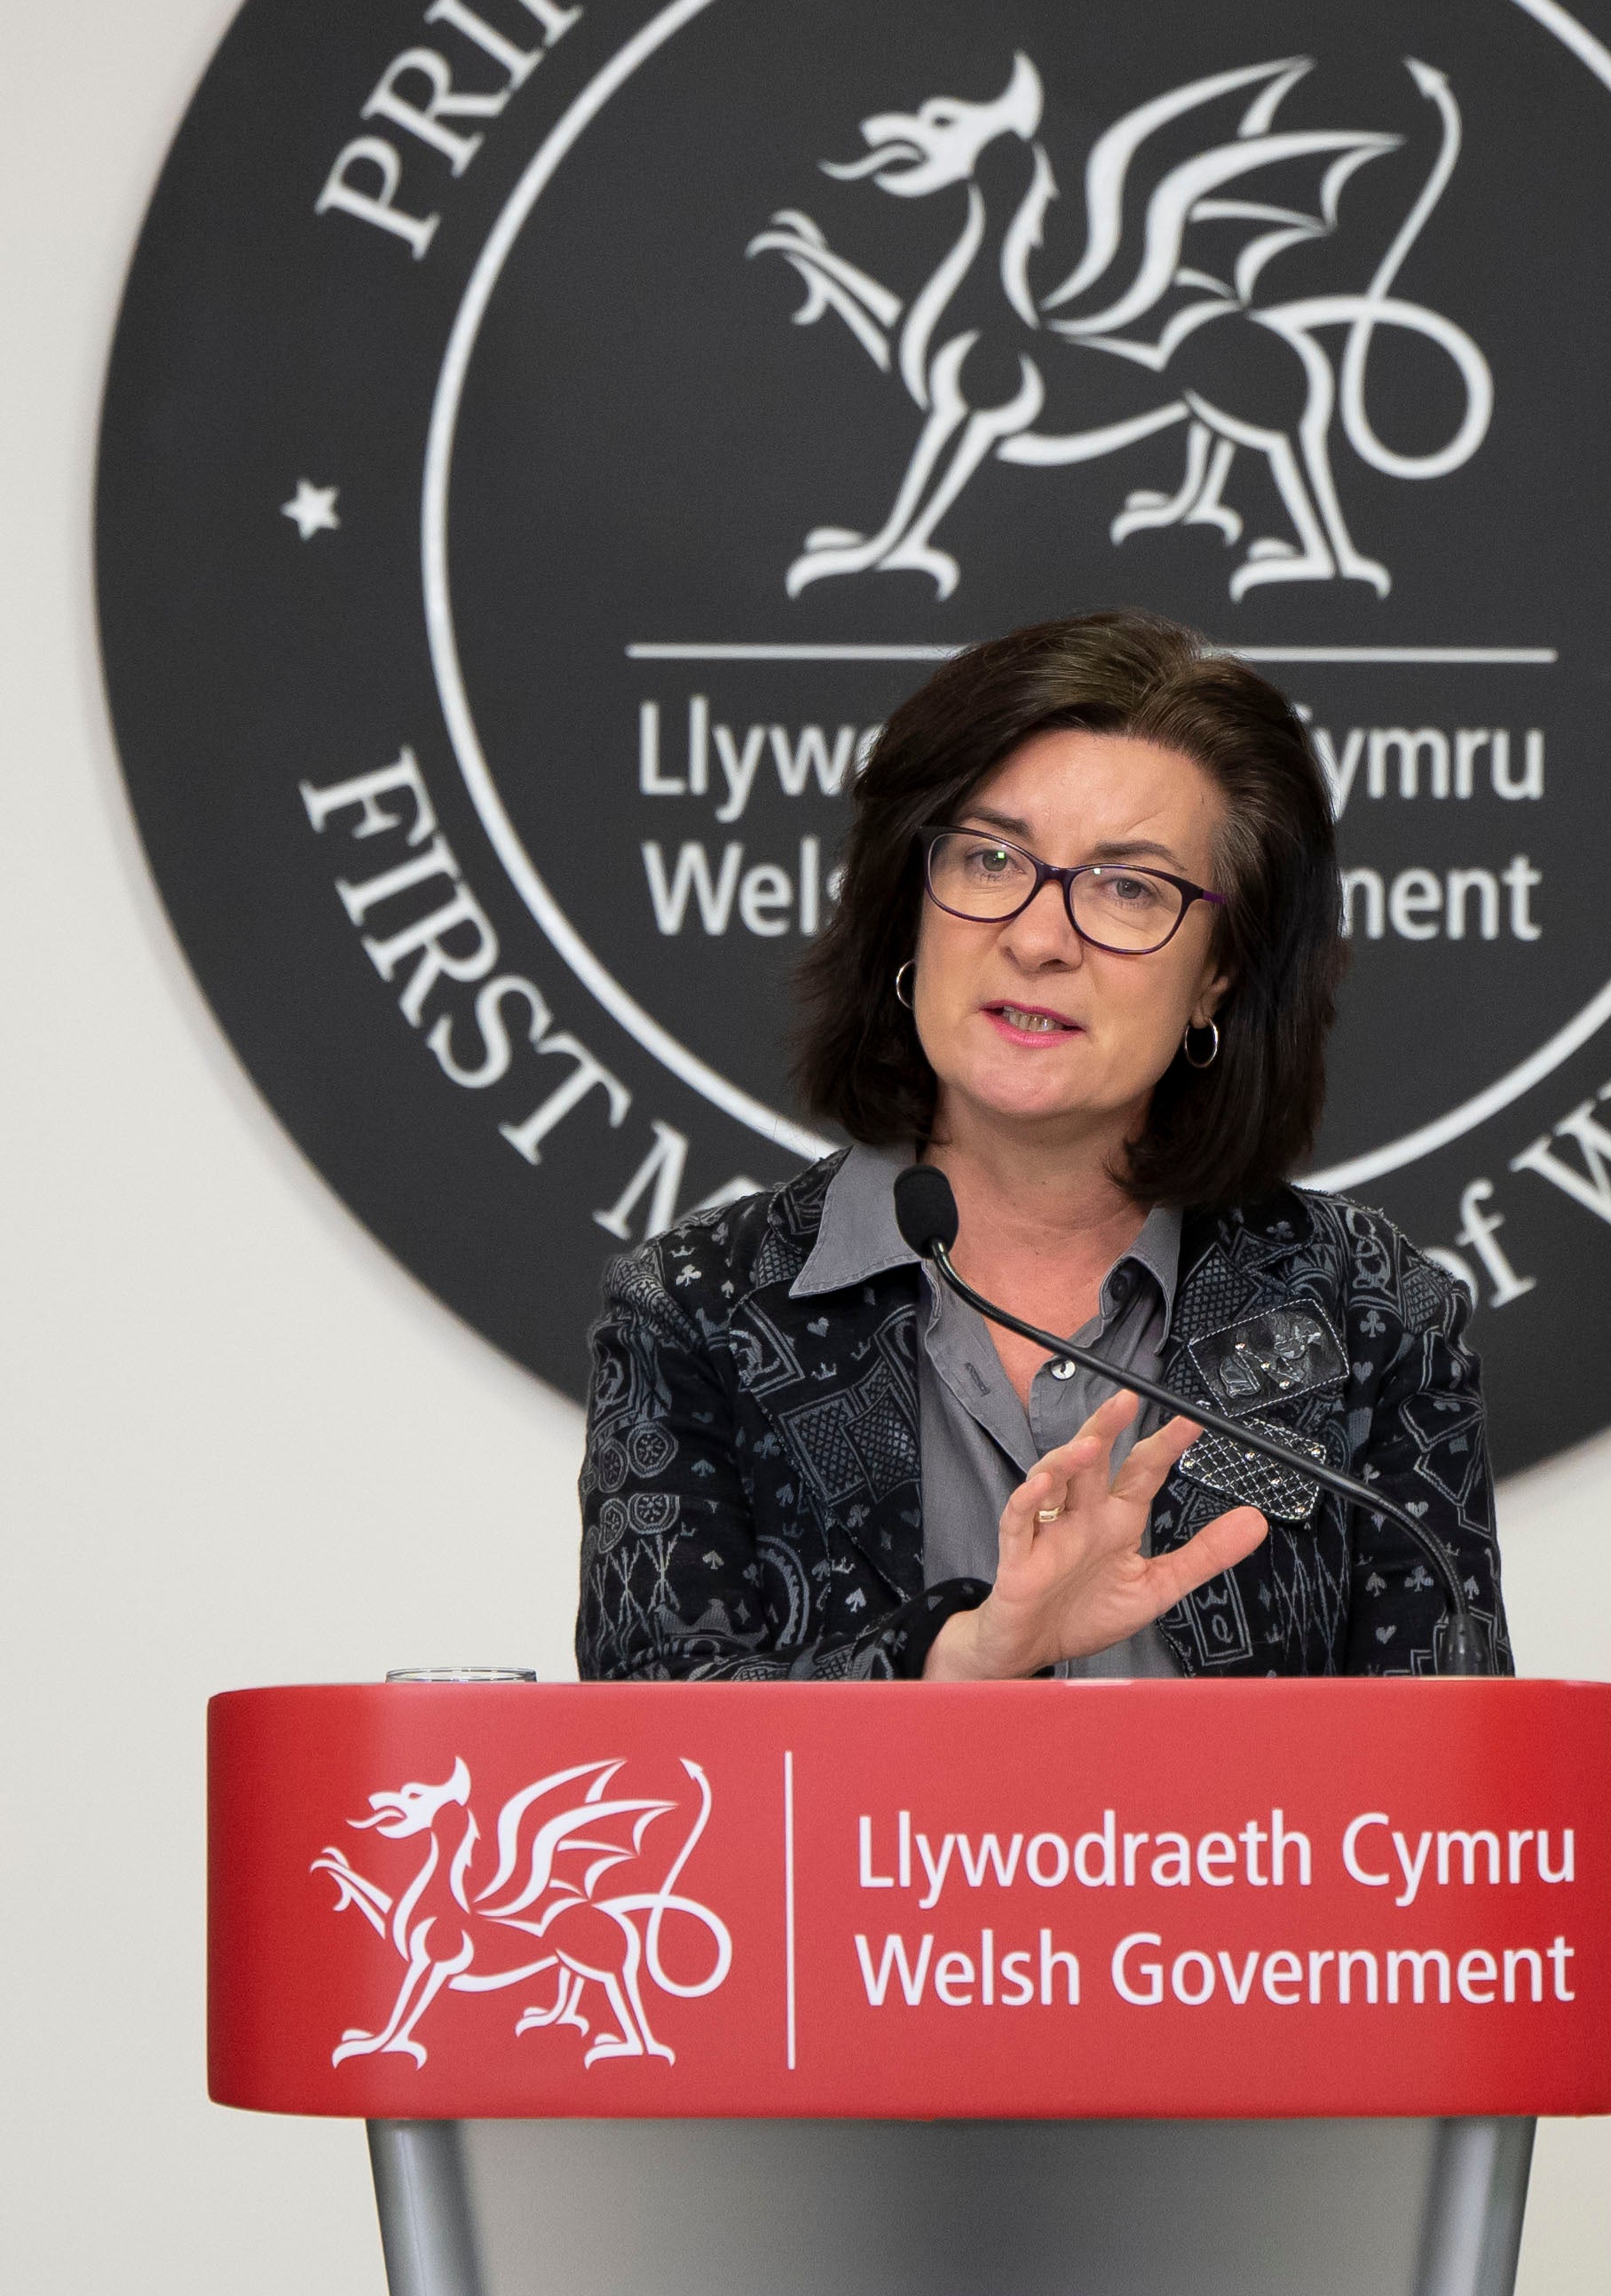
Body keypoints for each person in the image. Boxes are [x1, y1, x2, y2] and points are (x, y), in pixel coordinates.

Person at [574, 608, 1506, 1682]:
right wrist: (957, 1665)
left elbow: (1453, 1781)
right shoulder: (700, 1308)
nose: (1036, 937)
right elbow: (655, 1753)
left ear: (1220, 973)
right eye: (988, 859)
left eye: (1129, 888)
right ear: (905, 912)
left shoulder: (1369, 1312)